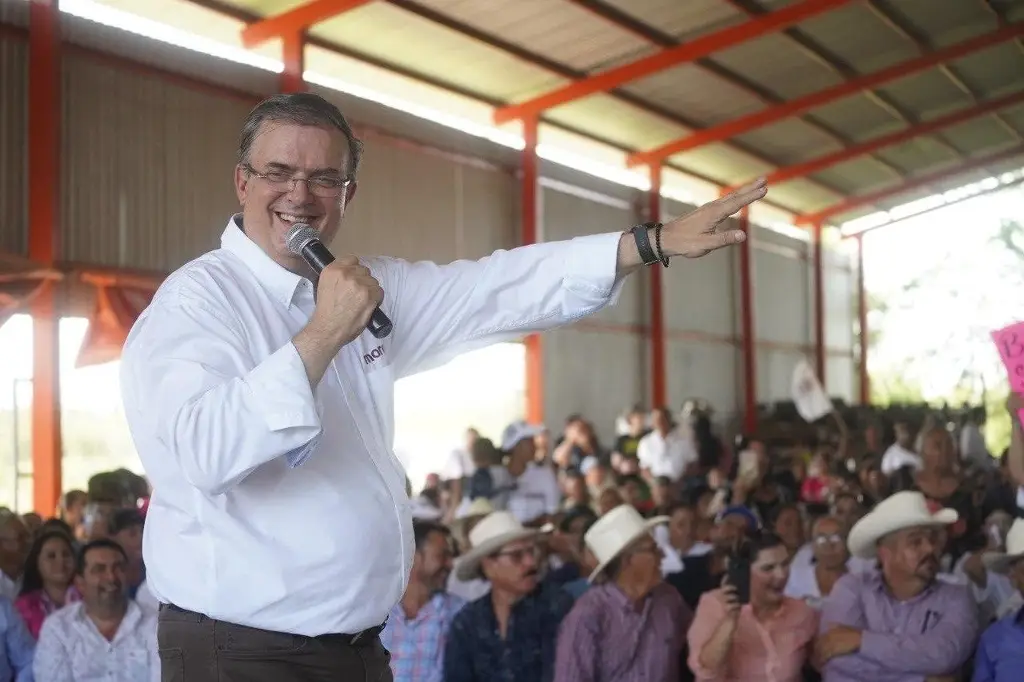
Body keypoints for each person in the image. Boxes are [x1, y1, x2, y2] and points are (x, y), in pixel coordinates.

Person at [119, 91, 766, 681]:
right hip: (241, 653)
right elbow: (202, 452)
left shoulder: (356, 286)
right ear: (242, 182)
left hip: (351, 648)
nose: (301, 194)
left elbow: (495, 289)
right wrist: (321, 336)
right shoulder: (198, 304)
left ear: (349, 194)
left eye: (325, 177)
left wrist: (647, 243)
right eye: (279, 173)